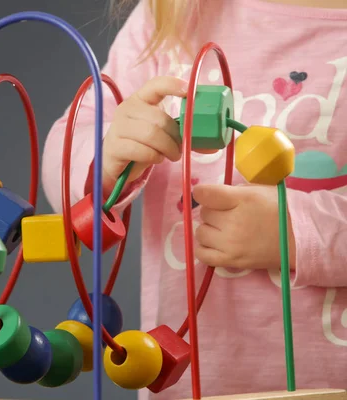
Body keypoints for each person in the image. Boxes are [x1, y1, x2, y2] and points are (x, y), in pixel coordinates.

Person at [41, 0, 347, 398]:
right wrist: (106, 161)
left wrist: (298, 232)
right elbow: (67, 157)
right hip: (191, 387)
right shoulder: (174, 12)